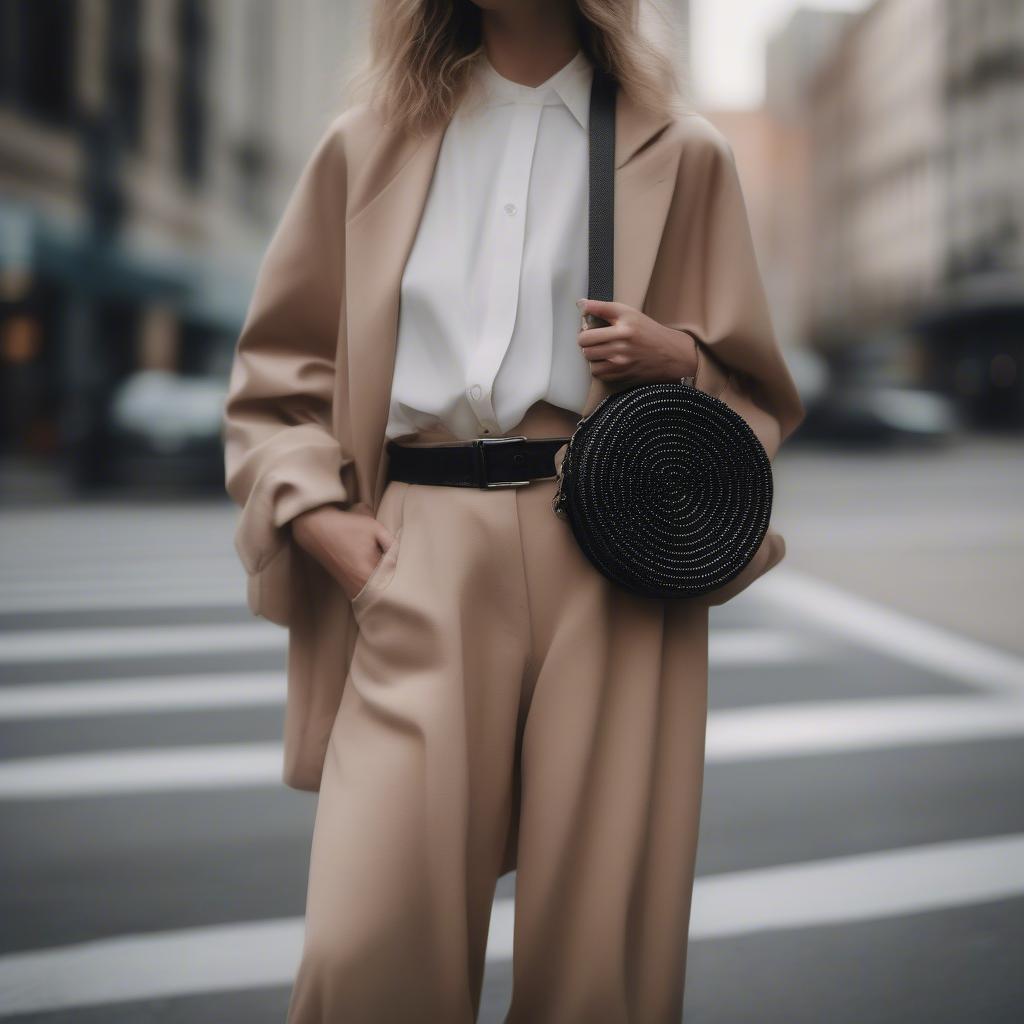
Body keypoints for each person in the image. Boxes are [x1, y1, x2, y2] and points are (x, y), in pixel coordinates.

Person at [222, 1, 806, 1021]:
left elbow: (755, 402)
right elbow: (278, 377)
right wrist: (323, 523)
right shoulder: (366, 144)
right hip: (416, 549)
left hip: (611, 556)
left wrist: (682, 359)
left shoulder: (683, 151)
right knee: (368, 945)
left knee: (597, 962)